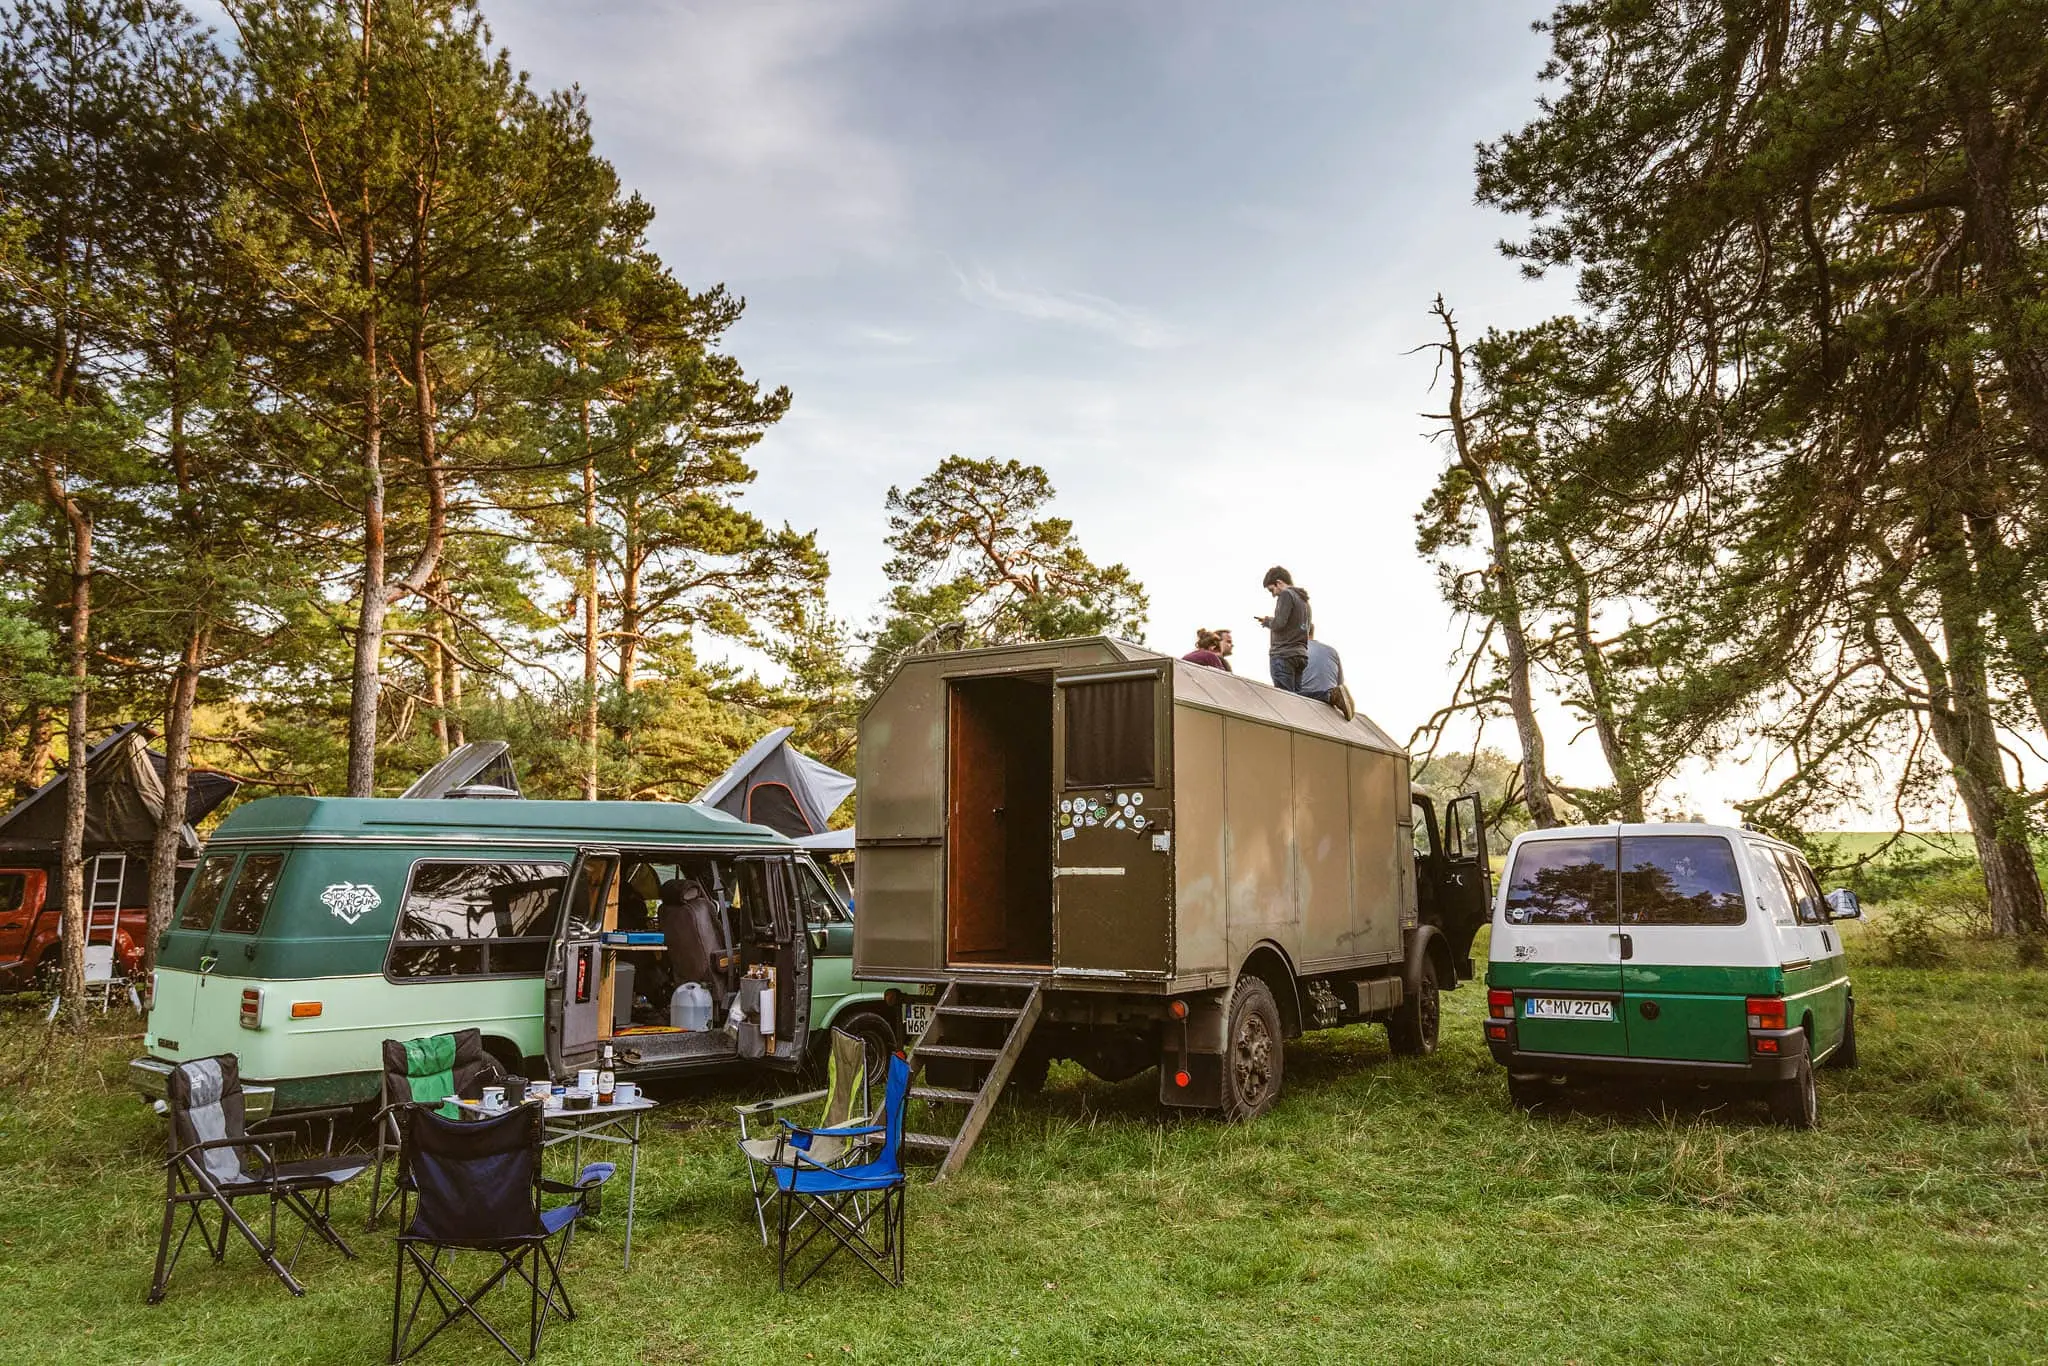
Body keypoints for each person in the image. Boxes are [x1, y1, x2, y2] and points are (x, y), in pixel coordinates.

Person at [1256, 566, 1312, 693]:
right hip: (1300, 654)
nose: (1273, 595)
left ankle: (1329, 695)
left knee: (1285, 700)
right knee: (1297, 700)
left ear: (1279, 582)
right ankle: (1329, 695)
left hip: (1283, 655)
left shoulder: (1286, 594)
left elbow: (1279, 623)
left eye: (1272, 590)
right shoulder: (1304, 601)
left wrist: (1267, 621)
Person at [1301, 631, 1356, 720]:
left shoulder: (1295, 650)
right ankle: (1332, 695)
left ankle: (1330, 696)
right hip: (1329, 698)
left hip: (1307, 697)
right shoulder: (1332, 651)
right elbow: (1340, 683)